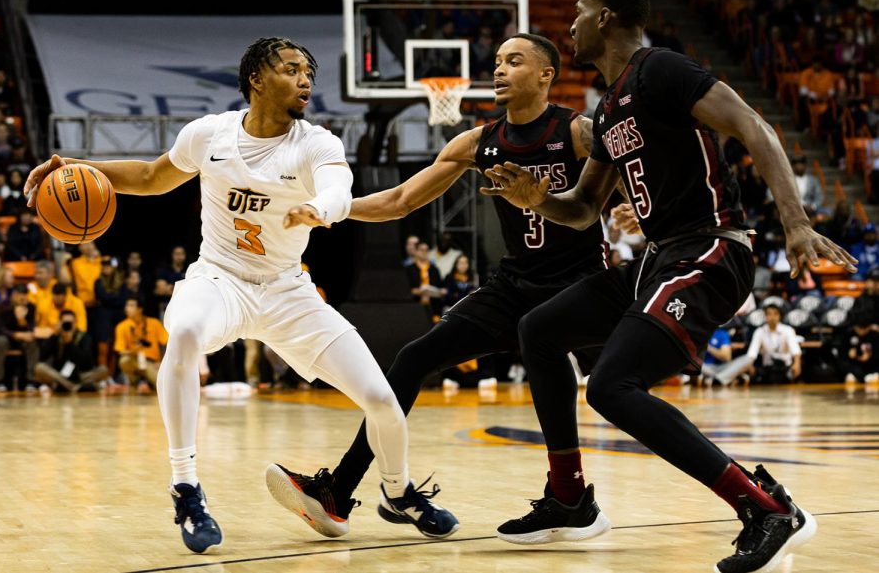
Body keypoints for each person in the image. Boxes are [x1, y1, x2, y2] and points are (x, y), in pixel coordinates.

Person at [24, 36, 455, 554]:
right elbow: (149, 177)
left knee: (383, 400)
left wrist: (323, 208)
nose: (305, 81)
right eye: (292, 69)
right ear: (256, 79)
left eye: (309, 74)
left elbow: (337, 187)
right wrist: (73, 168)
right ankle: (186, 486)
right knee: (182, 332)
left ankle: (397, 491)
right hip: (220, 279)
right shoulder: (209, 134)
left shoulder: (316, 143)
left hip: (287, 291)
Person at [482, 0, 856, 571]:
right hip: (660, 258)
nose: (571, 24)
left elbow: (753, 127)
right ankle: (569, 496)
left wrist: (796, 222)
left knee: (610, 387)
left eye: (579, 13)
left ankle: (763, 509)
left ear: (604, 17)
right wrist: (537, 201)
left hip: (710, 248)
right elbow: (581, 210)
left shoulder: (661, 70)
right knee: (539, 329)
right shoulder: (606, 109)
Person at [268, 33, 638, 541]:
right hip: (515, 284)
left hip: (581, 284)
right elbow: (399, 200)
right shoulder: (475, 142)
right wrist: (329, 209)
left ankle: (577, 496)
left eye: (515, 61)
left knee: (620, 393)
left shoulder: (575, 131)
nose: (500, 69)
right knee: (414, 358)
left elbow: (632, 176)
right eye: (498, 62)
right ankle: (339, 491)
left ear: (547, 74)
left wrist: (638, 211)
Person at [35, 309, 109, 392]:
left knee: (103, 370)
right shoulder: (56, 337)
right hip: (59, 374)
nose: (68, 325)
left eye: (71, 323)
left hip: (80, 374)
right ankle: (75, 387)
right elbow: (42, 356)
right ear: (60, 323)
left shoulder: (84, 337)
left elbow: (87, 361)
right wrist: (54, 335)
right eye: (65, 323)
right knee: (39, 368)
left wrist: (70, 344)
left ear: (76, 323)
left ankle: (63, 385)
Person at [114, 296, 168, 394]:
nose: (127, 308)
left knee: (162, 386)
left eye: (131, 305)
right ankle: (136, 382)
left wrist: (163, 362)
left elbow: (167, 343)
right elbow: (120, 350)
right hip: (134, 359)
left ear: (140, 309)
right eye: (127, 305)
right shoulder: (121, 326)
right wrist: (134, 350)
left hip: (151, 362)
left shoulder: (154, 323)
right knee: (124, 360)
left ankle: (147, 384)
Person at [0, 283, 39, 393]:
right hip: (7, 337)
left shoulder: (31, 307)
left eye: (25, 297)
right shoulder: (2, 306)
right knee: (0, 341)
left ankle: (31, 381)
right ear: (14, 295)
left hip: (23, 339)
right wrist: (15, 334)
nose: (23, 300)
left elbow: (32, 327)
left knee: (32, 343)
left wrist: (22, 321)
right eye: (20, 297)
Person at [747, 305, 802, 383]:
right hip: (768, 368)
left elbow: (795, 349)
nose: (772, 317)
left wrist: (797, 364)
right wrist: (750, 365)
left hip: (785, 367)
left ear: (779, 316)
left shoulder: (788, 330)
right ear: (765, 316)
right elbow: (752, 351)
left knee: (794, 372)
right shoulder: (759, 331)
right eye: (769, 314)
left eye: (775, 314)